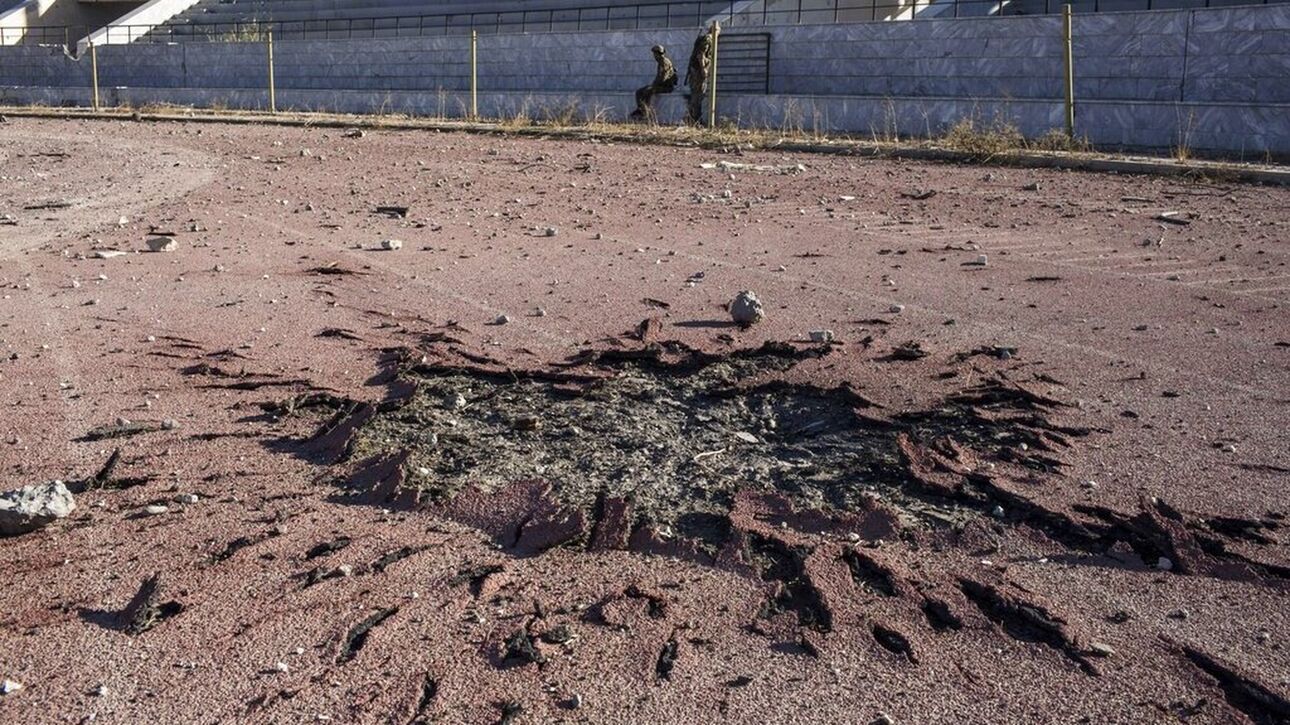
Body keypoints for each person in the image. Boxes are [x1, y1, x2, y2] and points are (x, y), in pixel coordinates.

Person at [630, 45, 677, 122]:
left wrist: (654, 85)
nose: (654, 56)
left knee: (648, 91)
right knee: (639, 92)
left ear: (657, 54)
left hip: (666, 87)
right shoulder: (661, 61)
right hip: (661, 85)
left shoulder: (664, 62)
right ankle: (640, 109)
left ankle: (645, 112)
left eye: (654, 54)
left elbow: (663, 78)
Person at [684, 27, 714, 125]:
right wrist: (703, 69)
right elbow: (700, 55)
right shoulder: (708, 39)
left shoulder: (705, 38)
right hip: (698, 71)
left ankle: (693, 118)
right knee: (698, 94)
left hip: (695, 69)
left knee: (696, 94)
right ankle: (695, 119)